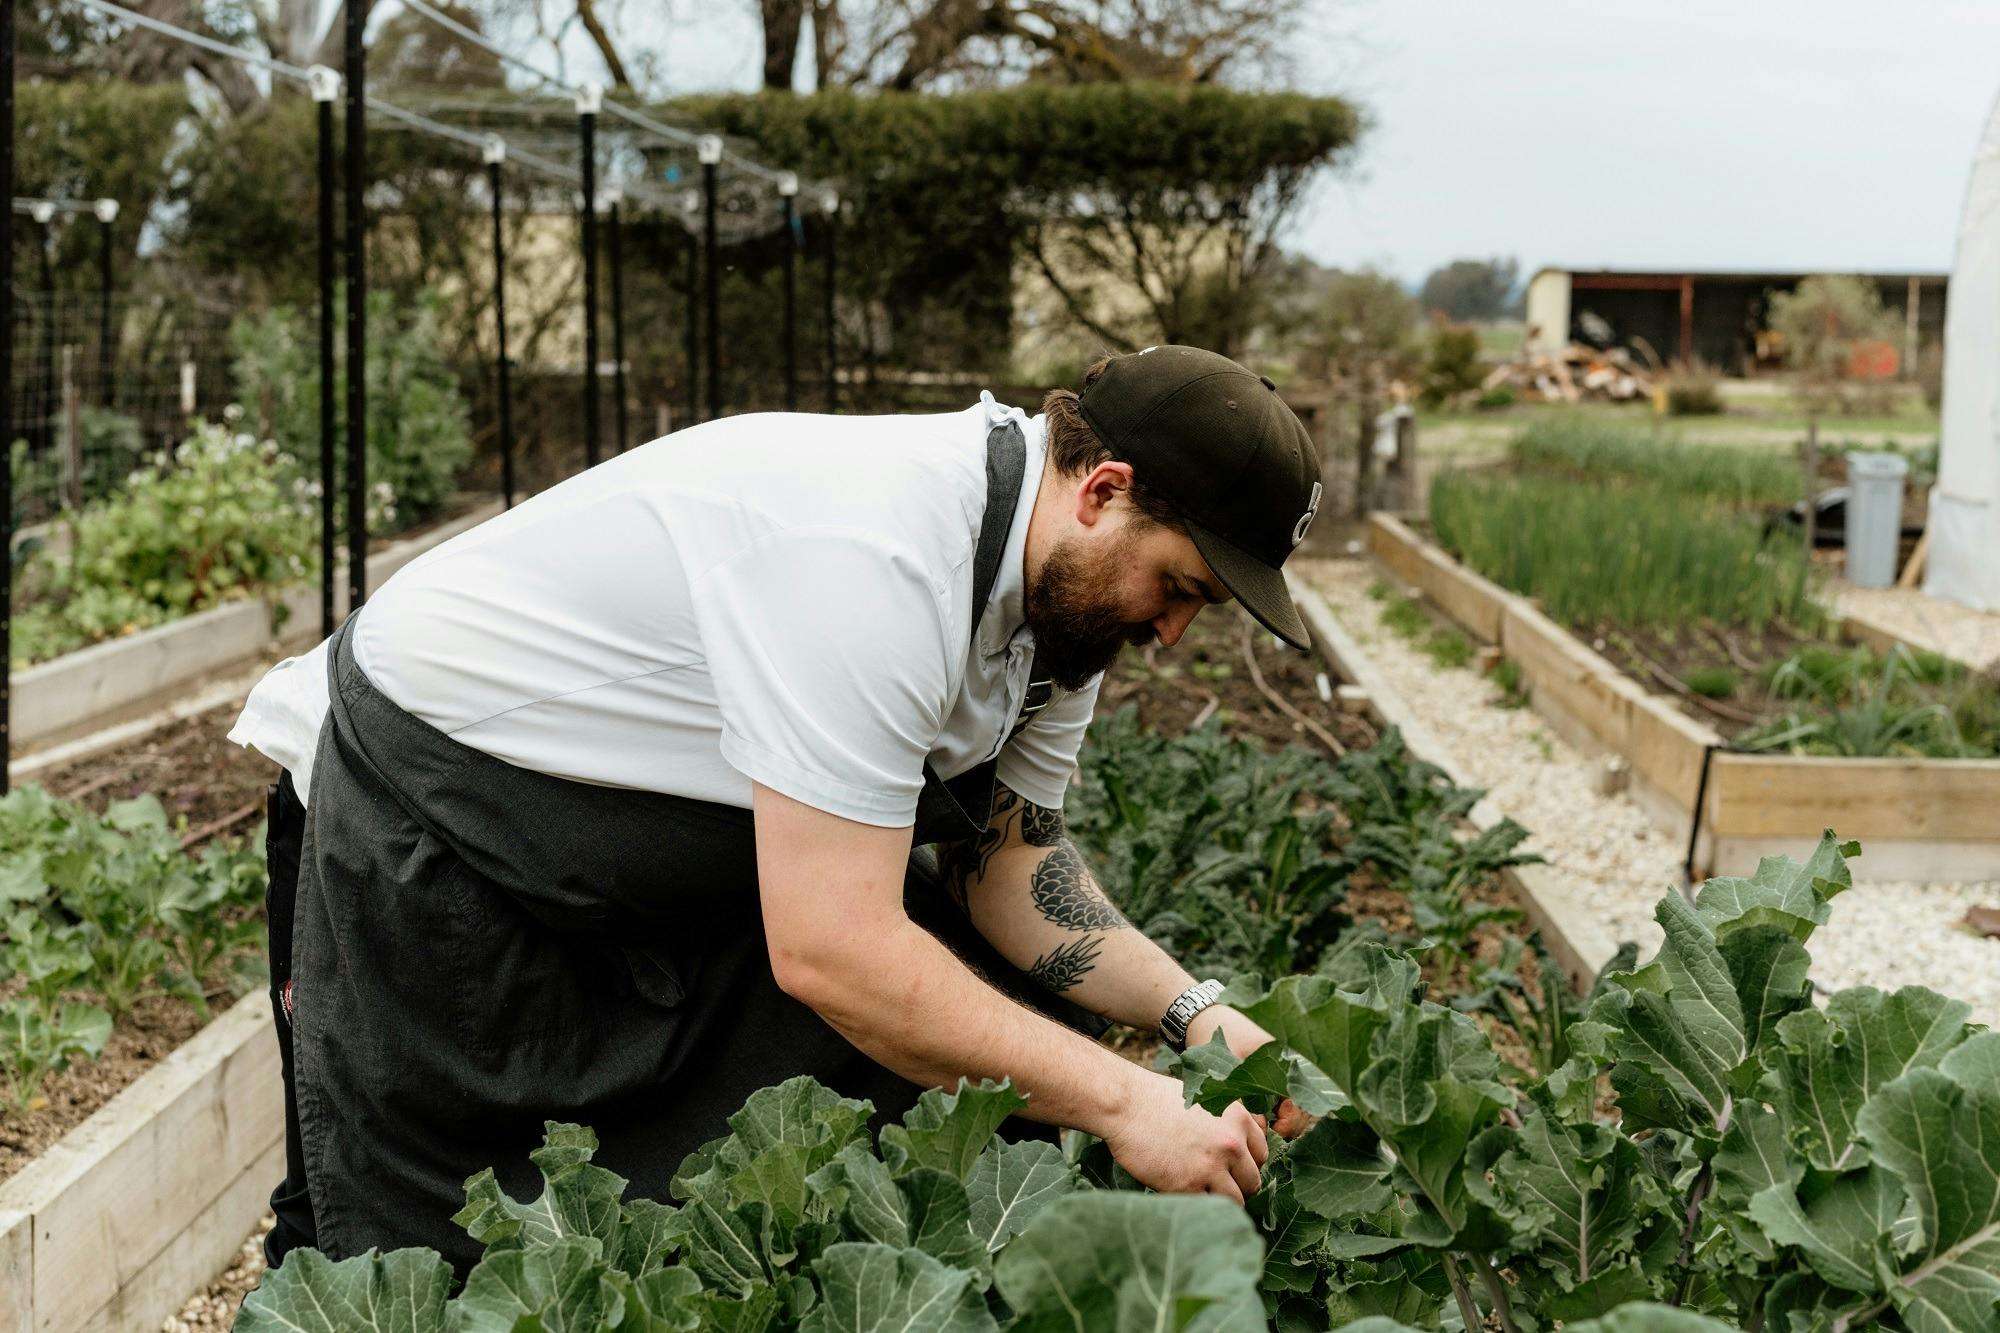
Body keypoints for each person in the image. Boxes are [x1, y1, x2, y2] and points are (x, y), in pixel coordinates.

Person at [230, 344, 1327, 1275]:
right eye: (1179, 587)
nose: (1173, 630)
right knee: (395, 1259)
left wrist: (1198, 1016)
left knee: (663, 1228)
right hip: (437, 830)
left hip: (645, 864)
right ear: (1102, 492)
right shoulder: (876, 553)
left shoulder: (1063, 612)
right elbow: (834, 949)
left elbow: (1007, 868)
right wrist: (1130, 1103)